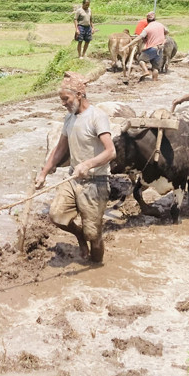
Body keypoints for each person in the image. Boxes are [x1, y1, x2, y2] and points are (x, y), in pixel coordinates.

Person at [35, 72, 115, 263]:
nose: (63, 103)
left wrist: (88, 164)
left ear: (79, 95)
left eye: (66, 99)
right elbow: (60, 148)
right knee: (56, 215)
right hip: (73, 179)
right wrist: (44, 173)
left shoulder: (97, 117)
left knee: (94, 235)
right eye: (62, 100)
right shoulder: (69, 118)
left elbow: (110, 151)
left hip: (96, 182)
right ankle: (79, 236)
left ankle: (96, 269)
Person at [137, 13, 166, 81]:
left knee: (141, 60)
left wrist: (127, 45)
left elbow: (139, 37)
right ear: (155, 19)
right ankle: (154, 80)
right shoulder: (160, 25)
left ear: (147, 20)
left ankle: (146, 71)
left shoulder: (147, 28)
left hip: (152, 48)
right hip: (159, 49)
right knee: (155, 68)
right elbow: (167, 31)